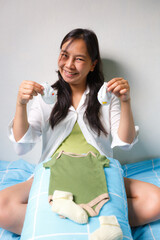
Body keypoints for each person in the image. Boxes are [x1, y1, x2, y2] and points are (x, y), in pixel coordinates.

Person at [0, 28, 160, 236]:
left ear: (93, 64)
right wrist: (21, 104)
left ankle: (71, 218)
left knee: (156, 200)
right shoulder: (47, 96)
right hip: (54, 170)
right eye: (64, 55)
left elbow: (125, 142)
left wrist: (126, 101)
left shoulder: (105, 97)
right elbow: (22, 146)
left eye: (79, 59)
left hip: (97, 170)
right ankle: (96, 221)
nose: (68, 65)